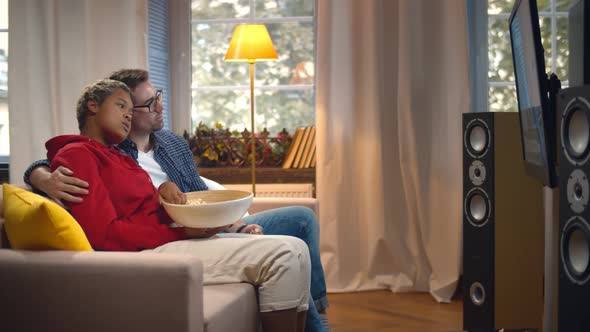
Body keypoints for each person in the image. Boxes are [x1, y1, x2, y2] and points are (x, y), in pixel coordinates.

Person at [24, 69, 330, 332]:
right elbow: (102, 231)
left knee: (297, 245)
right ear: (93, 106)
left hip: (181, 229)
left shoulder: (130, 152)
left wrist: (164, 190)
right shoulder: (81, 153)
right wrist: (39, 175)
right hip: (154, 246)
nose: (131, 113)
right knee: (284, 255)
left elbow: (143, 201)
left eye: (132, 107)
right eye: (122, 106)